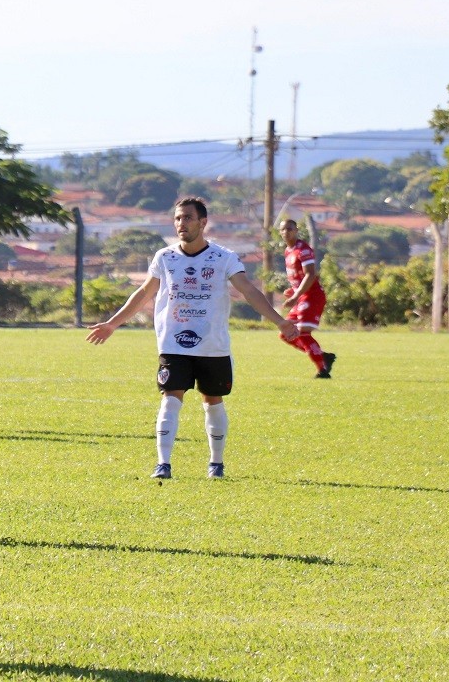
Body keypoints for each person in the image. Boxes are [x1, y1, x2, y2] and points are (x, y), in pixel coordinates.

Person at [86, 197, 299, 480]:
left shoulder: (224, 258)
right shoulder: (165, 257)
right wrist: (113, 324)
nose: (181, 223)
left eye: (187, 217)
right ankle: (162, 464)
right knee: (170, 398)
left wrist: (280, 322)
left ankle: (216, 464)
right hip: (174, 343)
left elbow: (249, 291)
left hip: (213, 345)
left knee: (213, 400)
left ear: (203, 222)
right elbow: (144, 293)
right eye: (177, 218)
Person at [278, 219, 337, 378]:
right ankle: (322, 356)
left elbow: (310, 274)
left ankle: (322, 370)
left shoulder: (303, 250)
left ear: (296, 230)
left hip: (312, 296)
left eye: (290, 229)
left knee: (303, 333)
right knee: (285, 334)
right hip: (301, 296)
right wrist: (293, 290)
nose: (286, 232)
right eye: (283, 230)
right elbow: (300, 277)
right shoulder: (288, 251)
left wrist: (296, 296)